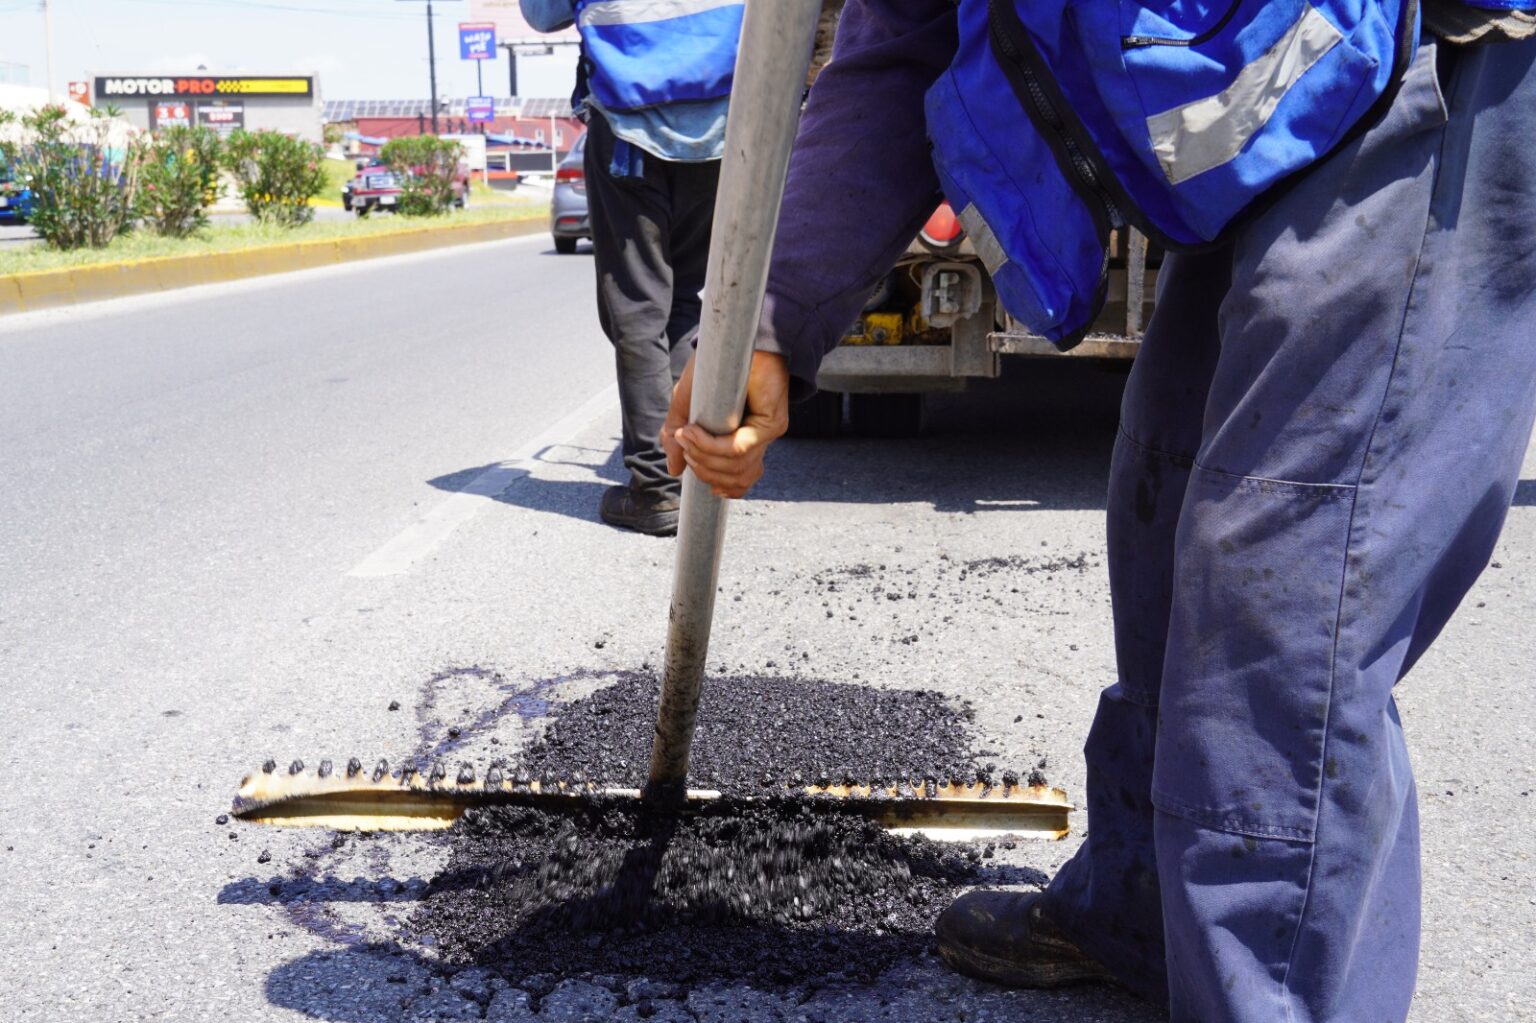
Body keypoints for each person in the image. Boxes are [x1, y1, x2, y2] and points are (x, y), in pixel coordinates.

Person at [662, 3, 1536, 1021]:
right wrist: (775, 318)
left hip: (1409, 63)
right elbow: (906, 41)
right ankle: (1149, 906)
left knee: (1287, 582)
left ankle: (1271, 993)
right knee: (1164, 497)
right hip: (1252, 122)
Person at [522, 0, 743, 536]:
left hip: (628, 133)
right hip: (722, 130)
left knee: (639, 309)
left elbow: (542, 16)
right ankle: (686, 470)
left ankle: (657, 486)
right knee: (684, 300)